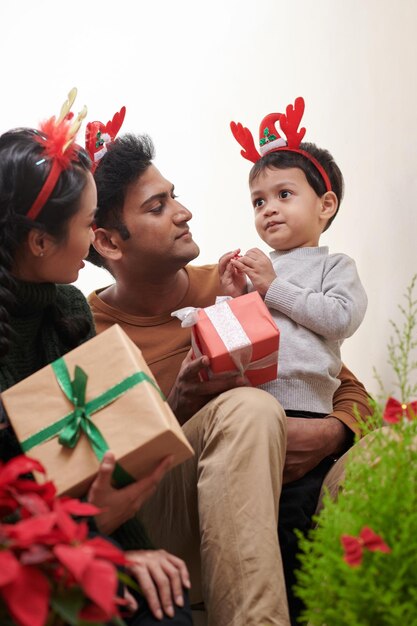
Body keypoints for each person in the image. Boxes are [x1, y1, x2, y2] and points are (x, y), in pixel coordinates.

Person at [87, 128, 371, 626]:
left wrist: (329, 433)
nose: (184, 212)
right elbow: (99, 468)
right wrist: (176, 405)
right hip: (168, 510)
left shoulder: (237, 282)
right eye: (158, 207)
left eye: (174, 195)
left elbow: (344, 384)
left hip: (287, 475)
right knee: (248, 409)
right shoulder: (87, 333)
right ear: (109, 241)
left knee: (393, 447)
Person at [0, 91, 192, 625]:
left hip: (78, 534)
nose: (94, 243)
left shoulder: (67, 311)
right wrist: (94, 537)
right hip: (22, 563)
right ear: (40, 242)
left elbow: (101, 454)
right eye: (88, 225)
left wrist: (135, 550)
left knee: (164, 602)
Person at [219, 96, 368, 622]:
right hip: (254, 420)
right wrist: (227, 296)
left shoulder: (333, 266)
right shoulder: (257, 269)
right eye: (258, 201)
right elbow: (231, 338)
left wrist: (272, 287)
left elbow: (340, 318)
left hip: (308, 417)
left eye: (284, 194)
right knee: (260, 531)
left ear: (324, 206)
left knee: (299, 525)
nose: (269, 209)